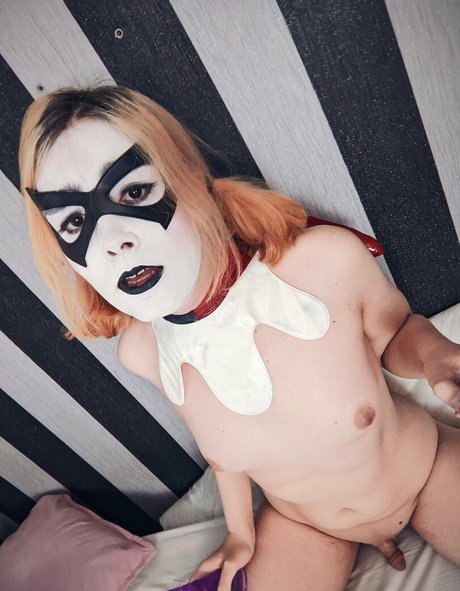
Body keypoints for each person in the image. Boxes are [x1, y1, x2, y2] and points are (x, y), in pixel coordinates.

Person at [19, 85, 460, 591]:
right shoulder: (141, 352)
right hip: (307, 525)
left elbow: (396, 332)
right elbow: (223, 453)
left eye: (134, 192)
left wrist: (438, 356)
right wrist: (239, 532)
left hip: (425, 475)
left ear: (191, 178)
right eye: (74, 221)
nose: (112, 241)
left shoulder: (323, 262)